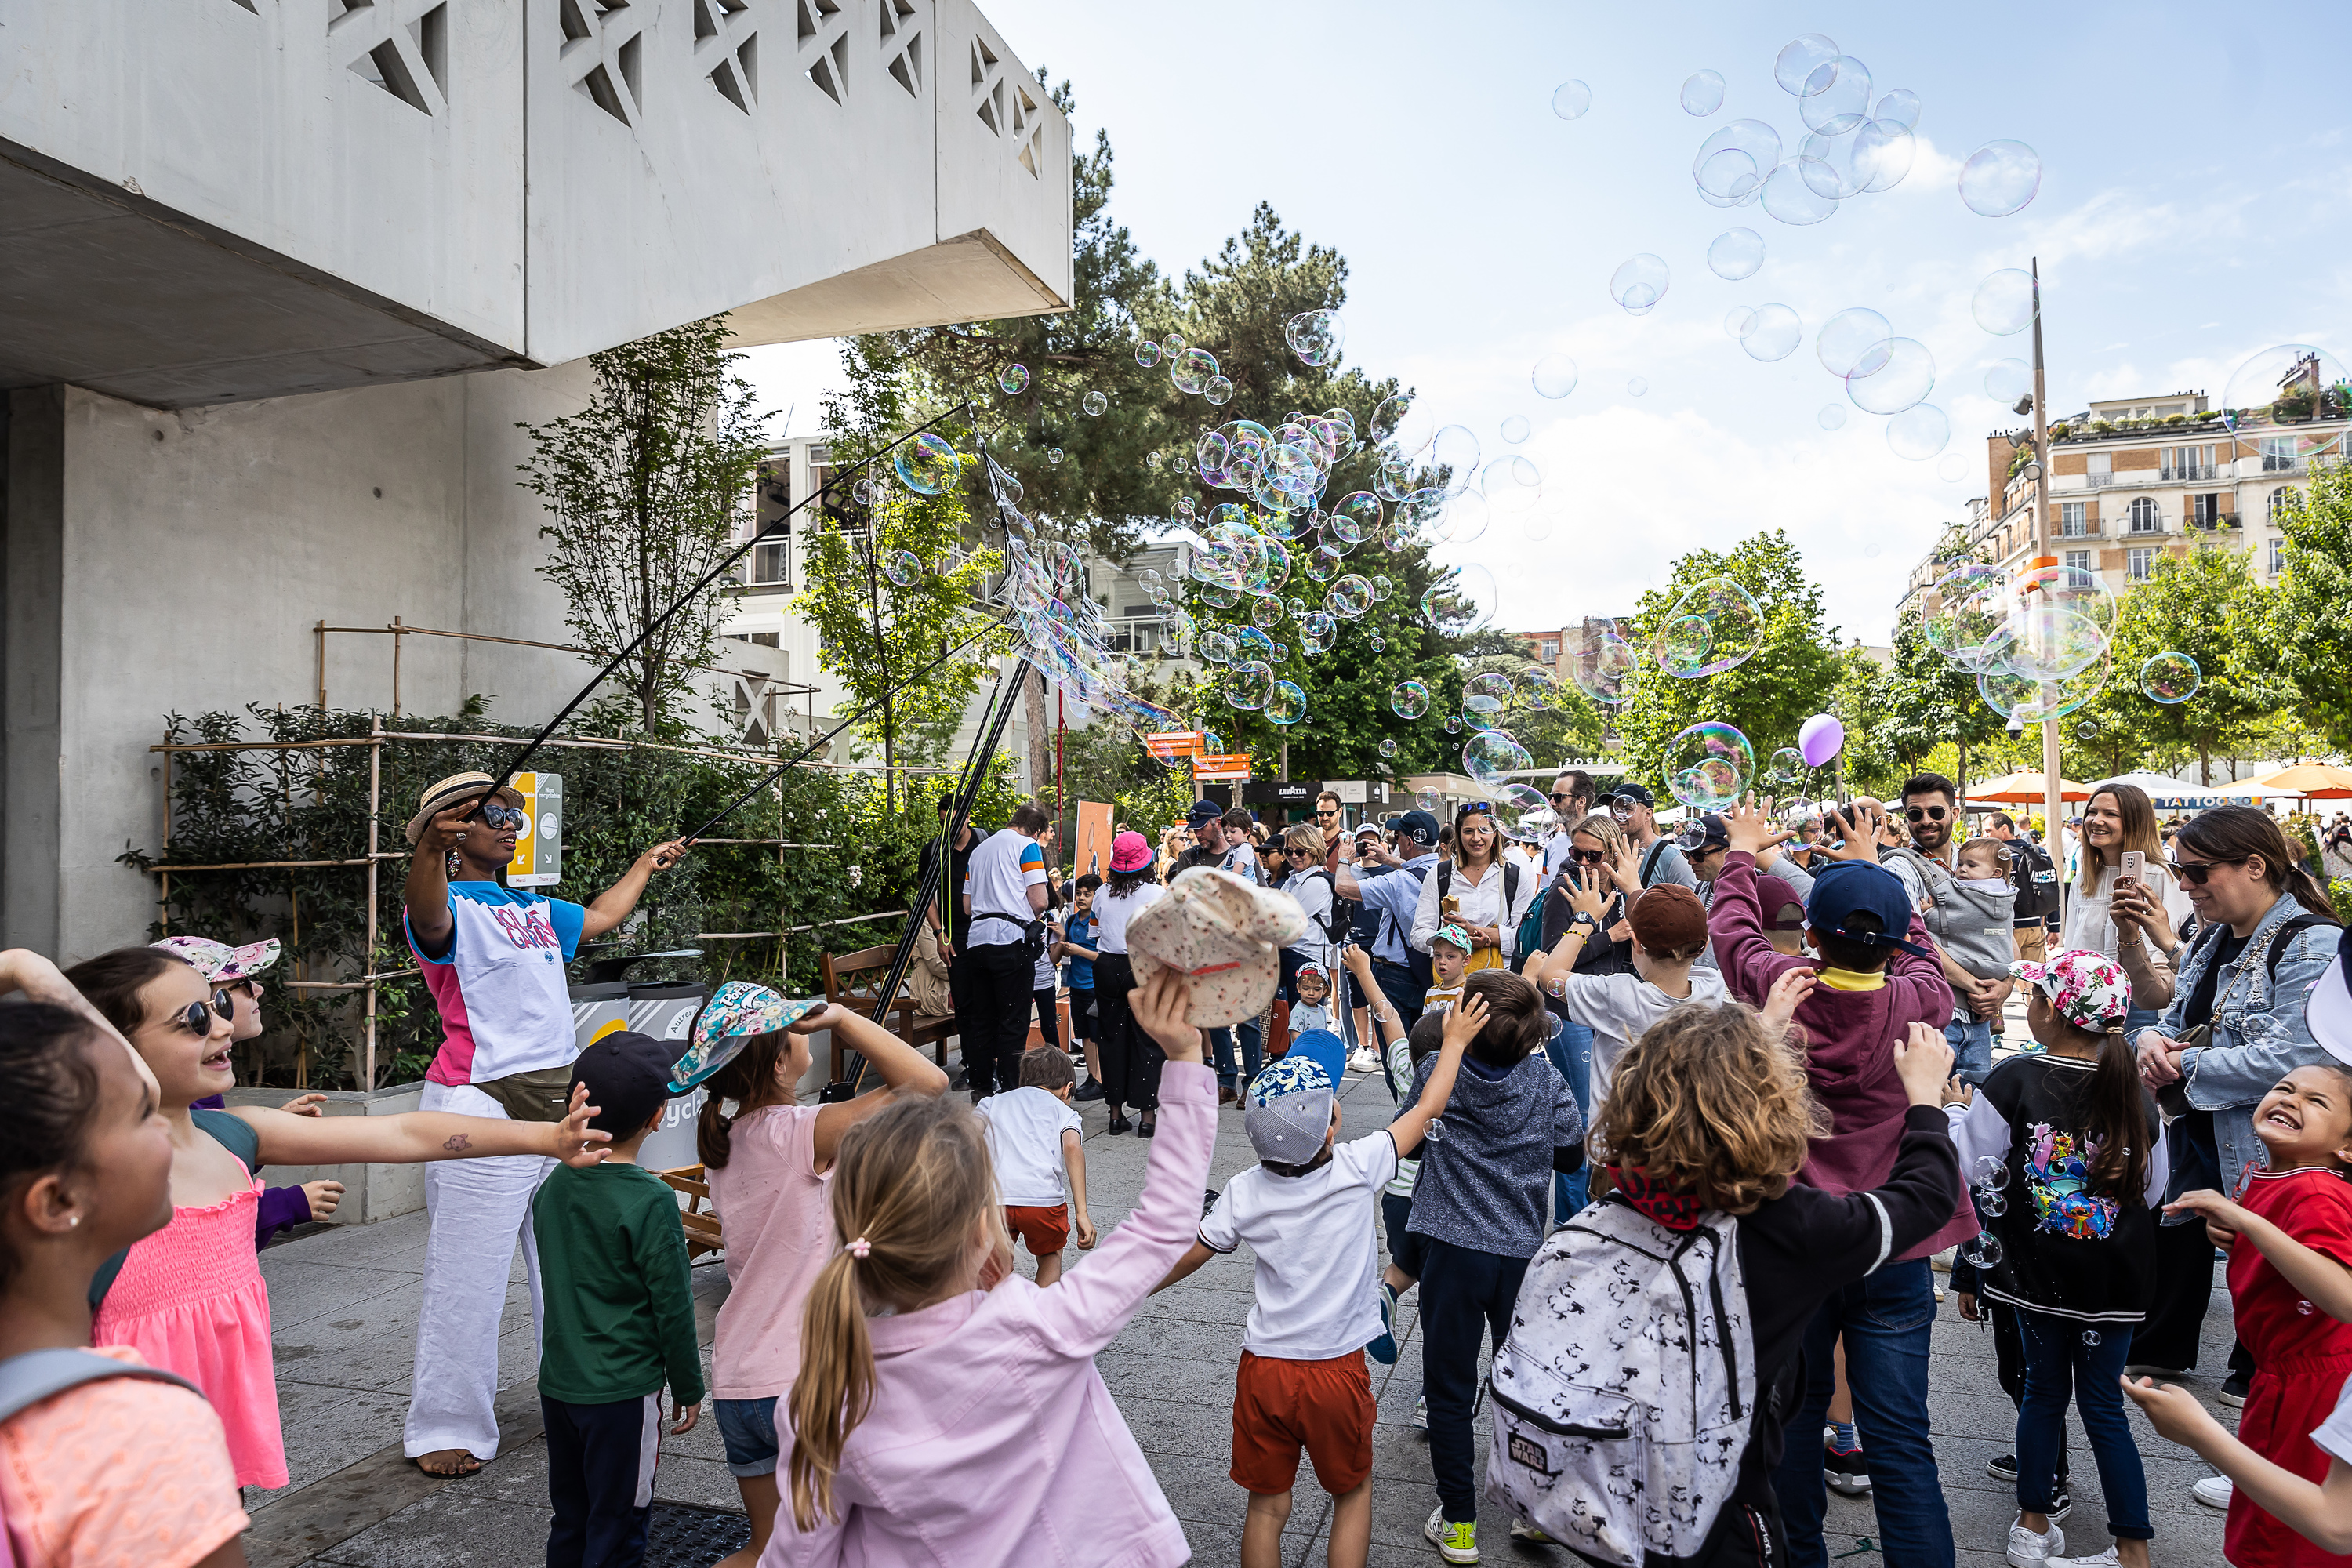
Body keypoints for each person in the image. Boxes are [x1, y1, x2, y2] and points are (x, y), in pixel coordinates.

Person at [67, 943, 613, 1492]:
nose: (221, 1027)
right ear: (110, 1046)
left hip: (209, 1442)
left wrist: (546, 1137)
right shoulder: (83, 1170)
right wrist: (20, 966)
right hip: (112, 1448)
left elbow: (404, 1132)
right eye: (192, 1018)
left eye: (215, 1004)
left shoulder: (237, 1134)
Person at [1489, 1005, 1961, 1566]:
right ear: (1774, 1109)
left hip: (1614, 1504)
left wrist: (1727, 1048)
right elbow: (1924, 1198)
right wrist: (1928, 1102)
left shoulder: (1623, 1193)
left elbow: (1692, 1095)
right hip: (1717, 1526)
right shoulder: (1783, 1227)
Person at [780, 969, 1210, 1564]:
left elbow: (800, 1555)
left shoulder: (822, 1397)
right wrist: (1185, 1058)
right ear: (984, 1229)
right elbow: (1164, 1225)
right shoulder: (1043, 1328)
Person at [393, 770, 682, 1477]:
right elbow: (428, 917)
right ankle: (444, 1427)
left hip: (560, 1100)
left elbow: (602, 919)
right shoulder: (443, 903)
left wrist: (644, 864)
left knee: (570, 1267)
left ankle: (585, 1398)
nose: (510, 823)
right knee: (469, 1275)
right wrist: (429, 852)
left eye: (514, 814)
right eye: (492, 813)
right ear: (452, 828)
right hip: (478, 1103)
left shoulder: (531, 907)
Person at [1712, 800, 1976, 1568]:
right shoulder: (1920, 998)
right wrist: (1880, 867)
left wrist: (1740, 854)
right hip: (1894, 1241)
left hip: (1794, 1243)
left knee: (1790, 1428)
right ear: (1892, 944)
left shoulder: (1779, 987)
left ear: (1813, 934)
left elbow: (1731, 930)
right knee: (1901, 1441)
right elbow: (1922, 948)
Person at [1151, 1000, 1477, 1568]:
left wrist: (1131, 1287)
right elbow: (1428, 1106)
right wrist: (1452, 1043)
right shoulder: (1358, 1166)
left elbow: (1192, 1254)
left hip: (1266, 1371)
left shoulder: (1245, 1190)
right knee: (1351, 1492)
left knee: (1266, 1508)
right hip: (1335, 1370)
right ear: (1333, 1123)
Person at [0, 951, 252, 1568]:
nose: (166, 1129)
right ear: (58, 1201)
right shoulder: (134, 1435)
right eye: (142, 1114)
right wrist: (30, 971)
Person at [695, 988, 946, 1568]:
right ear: (781, 1060)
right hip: (805, 1384)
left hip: (738, 1384)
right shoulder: (802, 1131)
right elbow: (926, 1087)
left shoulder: (723, 1142)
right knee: (852, 1548)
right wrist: (842, 1017)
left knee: (766, 1549)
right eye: (793, 1028)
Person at [1944, 950, 2165, 1568]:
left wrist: (1955, 1109)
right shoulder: (2135, 1093)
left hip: (2037, 1274)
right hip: (2116, 1279)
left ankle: (2033, 1526)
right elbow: (2152, 1192)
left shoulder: (2014, 1079)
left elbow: (1972, 1167)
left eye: (2036, 996)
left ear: (2051, 1011)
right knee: (2105, 1408)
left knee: (2042, 1392)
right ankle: (2133, 1549)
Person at [2131, 807, 2342, 1392]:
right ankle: (2169, 1348)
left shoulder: (2314, 942)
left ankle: (2270, 1382)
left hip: (2265, 1144)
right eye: (2179, 869)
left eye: (2197, 871)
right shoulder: (2211, 937)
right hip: (2198, 1130)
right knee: (2190, 1238)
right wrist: (2150, 1039)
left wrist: (2180, 1063)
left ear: (2254, 866)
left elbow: (2295, 1060)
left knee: (2270, 1264)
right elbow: (2172, 1018)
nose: (2184, 885)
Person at [1403, 970, 1585, 1563]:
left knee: (1449, 1390)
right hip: (1520, 1258)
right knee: (1527, 1386)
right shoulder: (1545, 1079)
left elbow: (1412, 1135)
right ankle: (1533, 1512)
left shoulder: (1438, 1073)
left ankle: (1458, 1521)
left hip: (1453, 1254)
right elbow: (1571, 1151)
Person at [2161, 1059, 2352, 1568]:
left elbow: (2345, 1297)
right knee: (2270, 1533)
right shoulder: (2276, 1176)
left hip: (2315, 1387)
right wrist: (2237, 1229)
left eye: (2317, 1101)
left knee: (2288, 1543)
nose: (2291, 1099)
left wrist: (2248, 1222)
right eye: (2285, 1088)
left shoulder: (2316, 1189)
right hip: (2283, 1378)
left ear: (2347, 1148)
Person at [532, 1033, 706, 1568]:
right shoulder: (652, 1200)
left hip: (560, 1385)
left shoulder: (553, 1187)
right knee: (621, 1523)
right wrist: (688, 1383)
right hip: (623, 1395)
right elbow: (672, 1306)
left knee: (572, 1516)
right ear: (659, 1117)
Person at [151, 935, 343, 1246]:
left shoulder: (197, 1082)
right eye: (240, 982)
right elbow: (193, 1216)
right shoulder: (174, 1093)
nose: (259, 989)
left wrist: (253, 1131)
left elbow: (211, 1159)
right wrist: (286, 1204)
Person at [1526, 880, 1726, 1126]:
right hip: (1680, 1142)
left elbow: (1550, 976)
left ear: (1636, 946)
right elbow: (1677, 933)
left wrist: (1584, 918)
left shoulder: (1619, 995)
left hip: (1615, 1149)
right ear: (1703, 947)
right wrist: (1636, 889)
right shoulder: (1712, 986)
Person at [1877, 773, 2015, 1089]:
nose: (1926, 821)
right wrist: (1976, 986)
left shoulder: (1981, 863)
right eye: (1915, 814)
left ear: (1954, 813)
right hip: (1933, 1020)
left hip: (1978, 1025)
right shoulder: (1901, 867)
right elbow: (1909, 942)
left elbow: (2004, 936)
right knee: (1931, 1113)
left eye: (1935, 812)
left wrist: (2005, 988)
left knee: (1974, 1114)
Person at [2067, 783, 2196, 1034]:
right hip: (2085, 1000)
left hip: (2141, 1001)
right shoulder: (2082, 881)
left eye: (2110, 814)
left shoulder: (2160, 876)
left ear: (2134, 822)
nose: (2096, 821)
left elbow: (2182, 943)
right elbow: (2072, 944)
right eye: (2092, 813)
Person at [956, 800, 1054, 1103]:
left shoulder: (979, 850)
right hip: (1010, 940)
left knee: (982, 1018)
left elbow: (967, 906)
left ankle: (982, 1086)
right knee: (1013, 1019)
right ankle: (1013, 1089)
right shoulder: (1027, 846)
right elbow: (1040, 900)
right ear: (1035, 830)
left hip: (977, 941)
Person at [976, 1046, 1095, 1287]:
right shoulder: (1065, 1112)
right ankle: (1038, 1316)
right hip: (1043, 1201)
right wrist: (1081, 1213)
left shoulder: (991, 1103)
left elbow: (967, 1135)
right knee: (1050, 1255)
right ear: (1067, 1090)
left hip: (996, 1198)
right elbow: (1072, 1147)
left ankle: (992, 1314)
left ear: (1022, 1083)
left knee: (993, 1262)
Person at [1337, 808, 1442, 1032]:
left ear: (1409, 842)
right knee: (1423, 1047)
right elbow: (1418, 869)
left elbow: (1344, 887)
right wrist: (1388, 859)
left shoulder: (1398, 881)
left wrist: (1344, 860)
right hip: (1432, 969)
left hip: (1395, 973)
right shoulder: (1445, 870)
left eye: (1397, 837)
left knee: (1395, 1050)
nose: (1395, 841)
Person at [1092, 830, 1167, 1138]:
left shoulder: (1101, 894)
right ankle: (1147, 1118)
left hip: (1108, 966)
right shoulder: (1157, 894)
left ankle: (1115, 1115)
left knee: (1111, 1039)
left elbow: (1093, 932)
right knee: (1148, 1040)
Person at [1410, 804, 1535, 976]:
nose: (1476, 838)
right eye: (1468, 831)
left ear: (1495, 833)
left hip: (1501, 981)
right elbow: (1418, 934)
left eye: (1483, 830)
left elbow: (1525, 938)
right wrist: (1460, 940)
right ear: (1459, 835)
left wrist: (1474, 931)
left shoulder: (1514, 876)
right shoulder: (1439, 875)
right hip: (1452, 982)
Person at [918, 795, 980, 1006]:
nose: (949, 828)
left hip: (986, 932)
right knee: (963, 1004)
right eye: (944, 823)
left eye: (954, 822)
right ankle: (968, 1040)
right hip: (955, 937)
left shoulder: (985, 843)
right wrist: (939, 933)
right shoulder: (932, 851)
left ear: (968, 818)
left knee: (990, 1002)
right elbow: (925, 897)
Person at [1058, 874, 1105, 1101]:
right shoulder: (1072, 920)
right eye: (1079, 893)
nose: (1081, 898)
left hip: (1094, 985)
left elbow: (1102, 956)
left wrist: (1077, 950)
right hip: (1076, 985)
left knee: (1097, 1035)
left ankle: (1101, 1079)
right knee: (1084, 1034)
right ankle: (1092, 1076)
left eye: (1088, 894)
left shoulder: (1097, 920)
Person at [1608, 782, 1698, 890]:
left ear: (1648, 814)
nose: (1618, 815)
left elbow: (1694, 904)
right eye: (1613, 809)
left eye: (1627, 809)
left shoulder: (1671, 857)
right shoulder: (1611, 855)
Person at [1541, 770, 1599, 878]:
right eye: (1551, 797)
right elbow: (1544, 888)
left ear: (1581, 802)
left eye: (1559, 797)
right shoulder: (1553, 844)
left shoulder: (1600, 843)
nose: (1552, 803)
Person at [1423, 924, 1472, 1016]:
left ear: (1466, 960)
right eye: (1438, 955)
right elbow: (1424, 1028)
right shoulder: (1430, 993)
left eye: (1450, 956)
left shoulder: (1470, 991)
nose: (1442, 961)